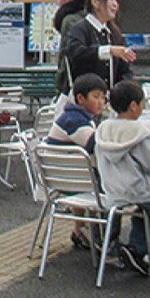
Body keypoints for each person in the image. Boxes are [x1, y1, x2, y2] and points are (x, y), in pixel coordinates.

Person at [95, 80, 150, 279]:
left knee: (143, 210)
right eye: (142, 103)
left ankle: (137, 249)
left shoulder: (103, 128)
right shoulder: (138, 131)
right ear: (134, 106)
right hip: (140, 190)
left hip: (114, 191)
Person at [46, 72, 106, 251]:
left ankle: (82, 231)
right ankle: (103, 236)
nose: (101, 102)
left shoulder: (72, 116)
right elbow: (96, 146)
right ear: (80, 98)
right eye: (96, 97)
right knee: (116, 186)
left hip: (60, 178)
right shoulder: (75, 121)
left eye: (103, 97)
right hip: (72, 181)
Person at [62, 0, 136, 90]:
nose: (115, 4)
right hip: (85, 99)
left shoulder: (114, 33)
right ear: (95, 2)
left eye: (116, 0)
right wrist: (108, 50)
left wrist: (123, 88)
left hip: (111, 100)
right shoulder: (79, 29)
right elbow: (77, 54)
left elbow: (124, 70)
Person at [53, 0, 87, 95]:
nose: (59, 2)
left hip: (72, 83)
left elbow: (66, 54)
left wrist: (60, 82)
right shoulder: (91, 16)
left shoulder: (69, 20)